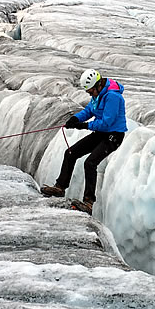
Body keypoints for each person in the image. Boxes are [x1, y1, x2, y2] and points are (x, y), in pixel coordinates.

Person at [41, 69, 127, 214]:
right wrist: (76, 119)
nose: (89, 94)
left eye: (90, 91)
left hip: (113, 135)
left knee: (90, 163)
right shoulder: (98, 93)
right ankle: (60, 187)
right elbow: (89, 110)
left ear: (98, 85)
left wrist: (85, 125)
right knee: (70, 153)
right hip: (101, 133)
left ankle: (88, 202)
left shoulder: (113, 97)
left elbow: (107, 122)